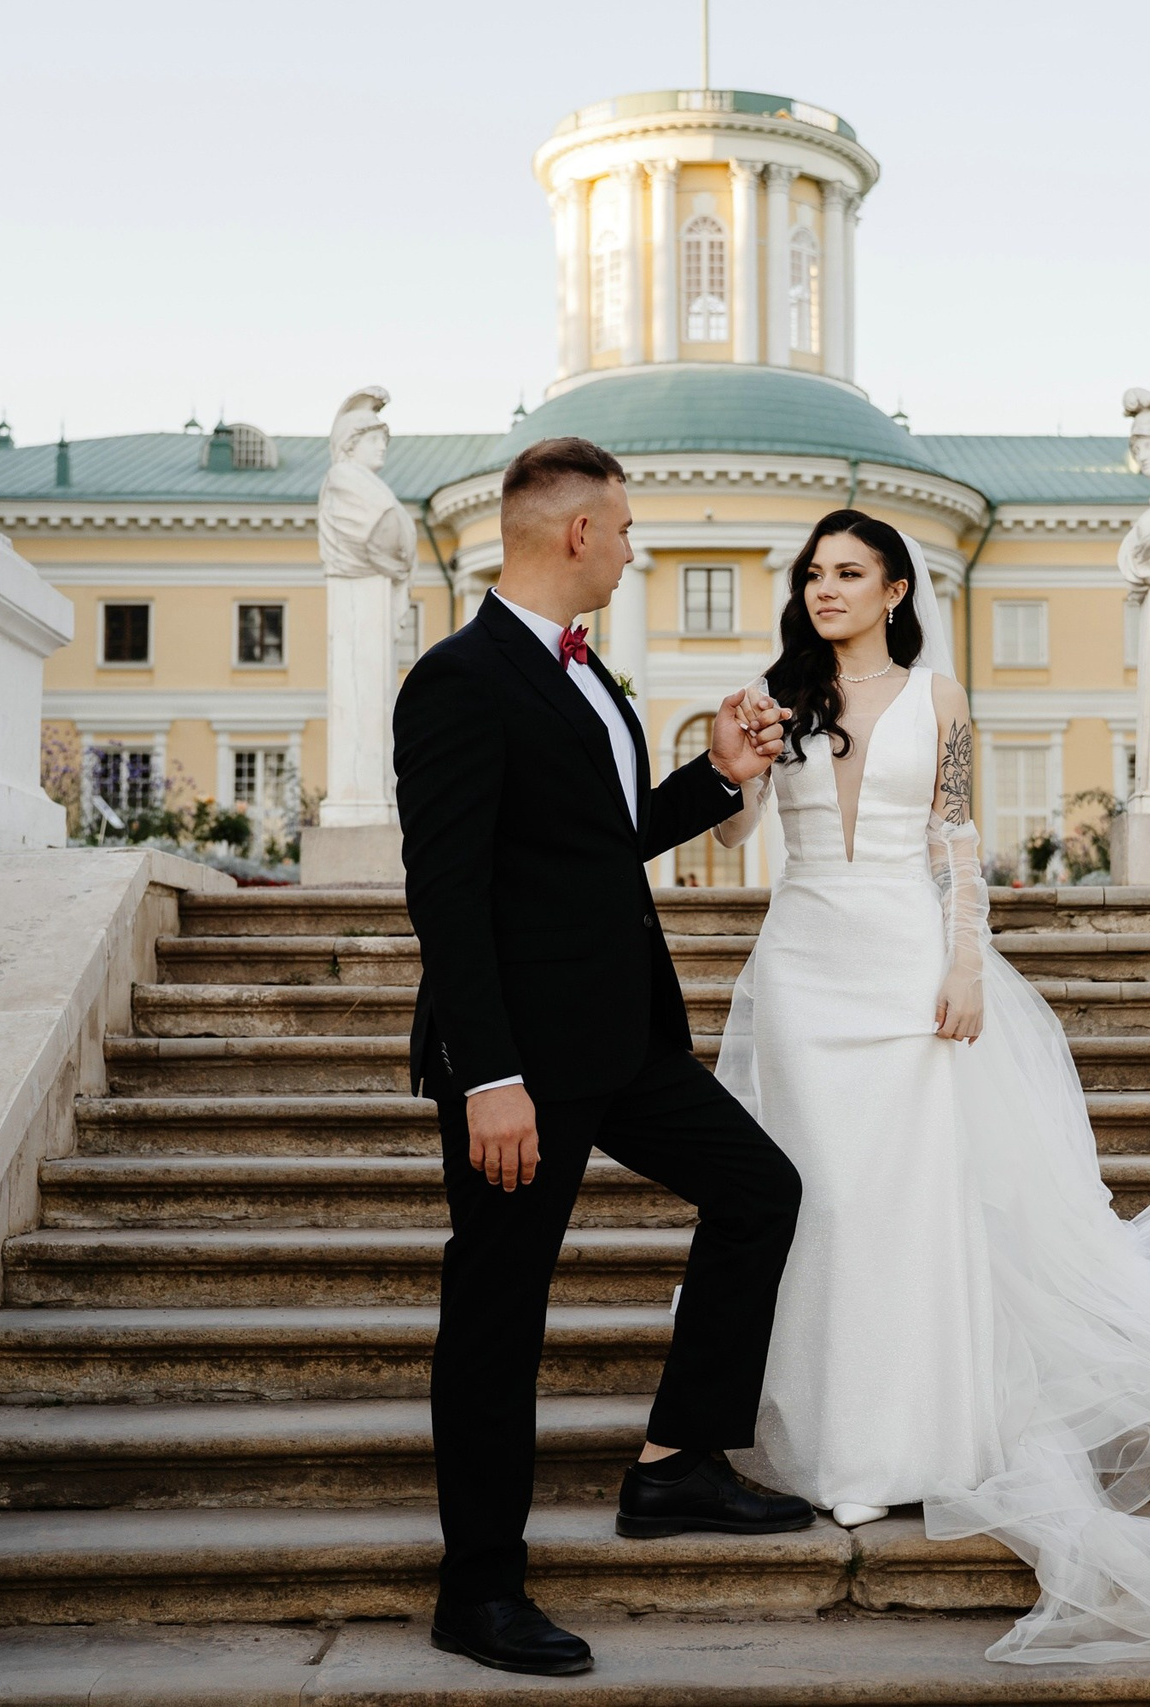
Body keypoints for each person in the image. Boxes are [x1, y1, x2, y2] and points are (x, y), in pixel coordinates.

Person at [711, 508, 1150, 1664]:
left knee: (909, 1202)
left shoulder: (938, 698)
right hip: (804, 966)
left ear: (896, 588)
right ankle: (838, 1447)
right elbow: (743, 824)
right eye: (812, 574)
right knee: (825, 1204)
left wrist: (963, 960)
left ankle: (915, 1442)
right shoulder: (767, 695)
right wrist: (731, 759)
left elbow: (953, 836)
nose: (824, 589)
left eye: (848, 573)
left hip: (906, 962)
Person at [394, 436, 808, 1677]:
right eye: (625, 531)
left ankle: (679, 1461)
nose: (634, 552)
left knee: (761, 1192)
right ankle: (479, 1591)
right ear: (575, 533)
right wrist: (487, 1075)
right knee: (497, 1318)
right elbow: (447, 895)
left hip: (625, 1040)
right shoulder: (458, 680)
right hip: (520, 1062)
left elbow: (602, 840)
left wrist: (716, 777)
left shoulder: (591, 680)